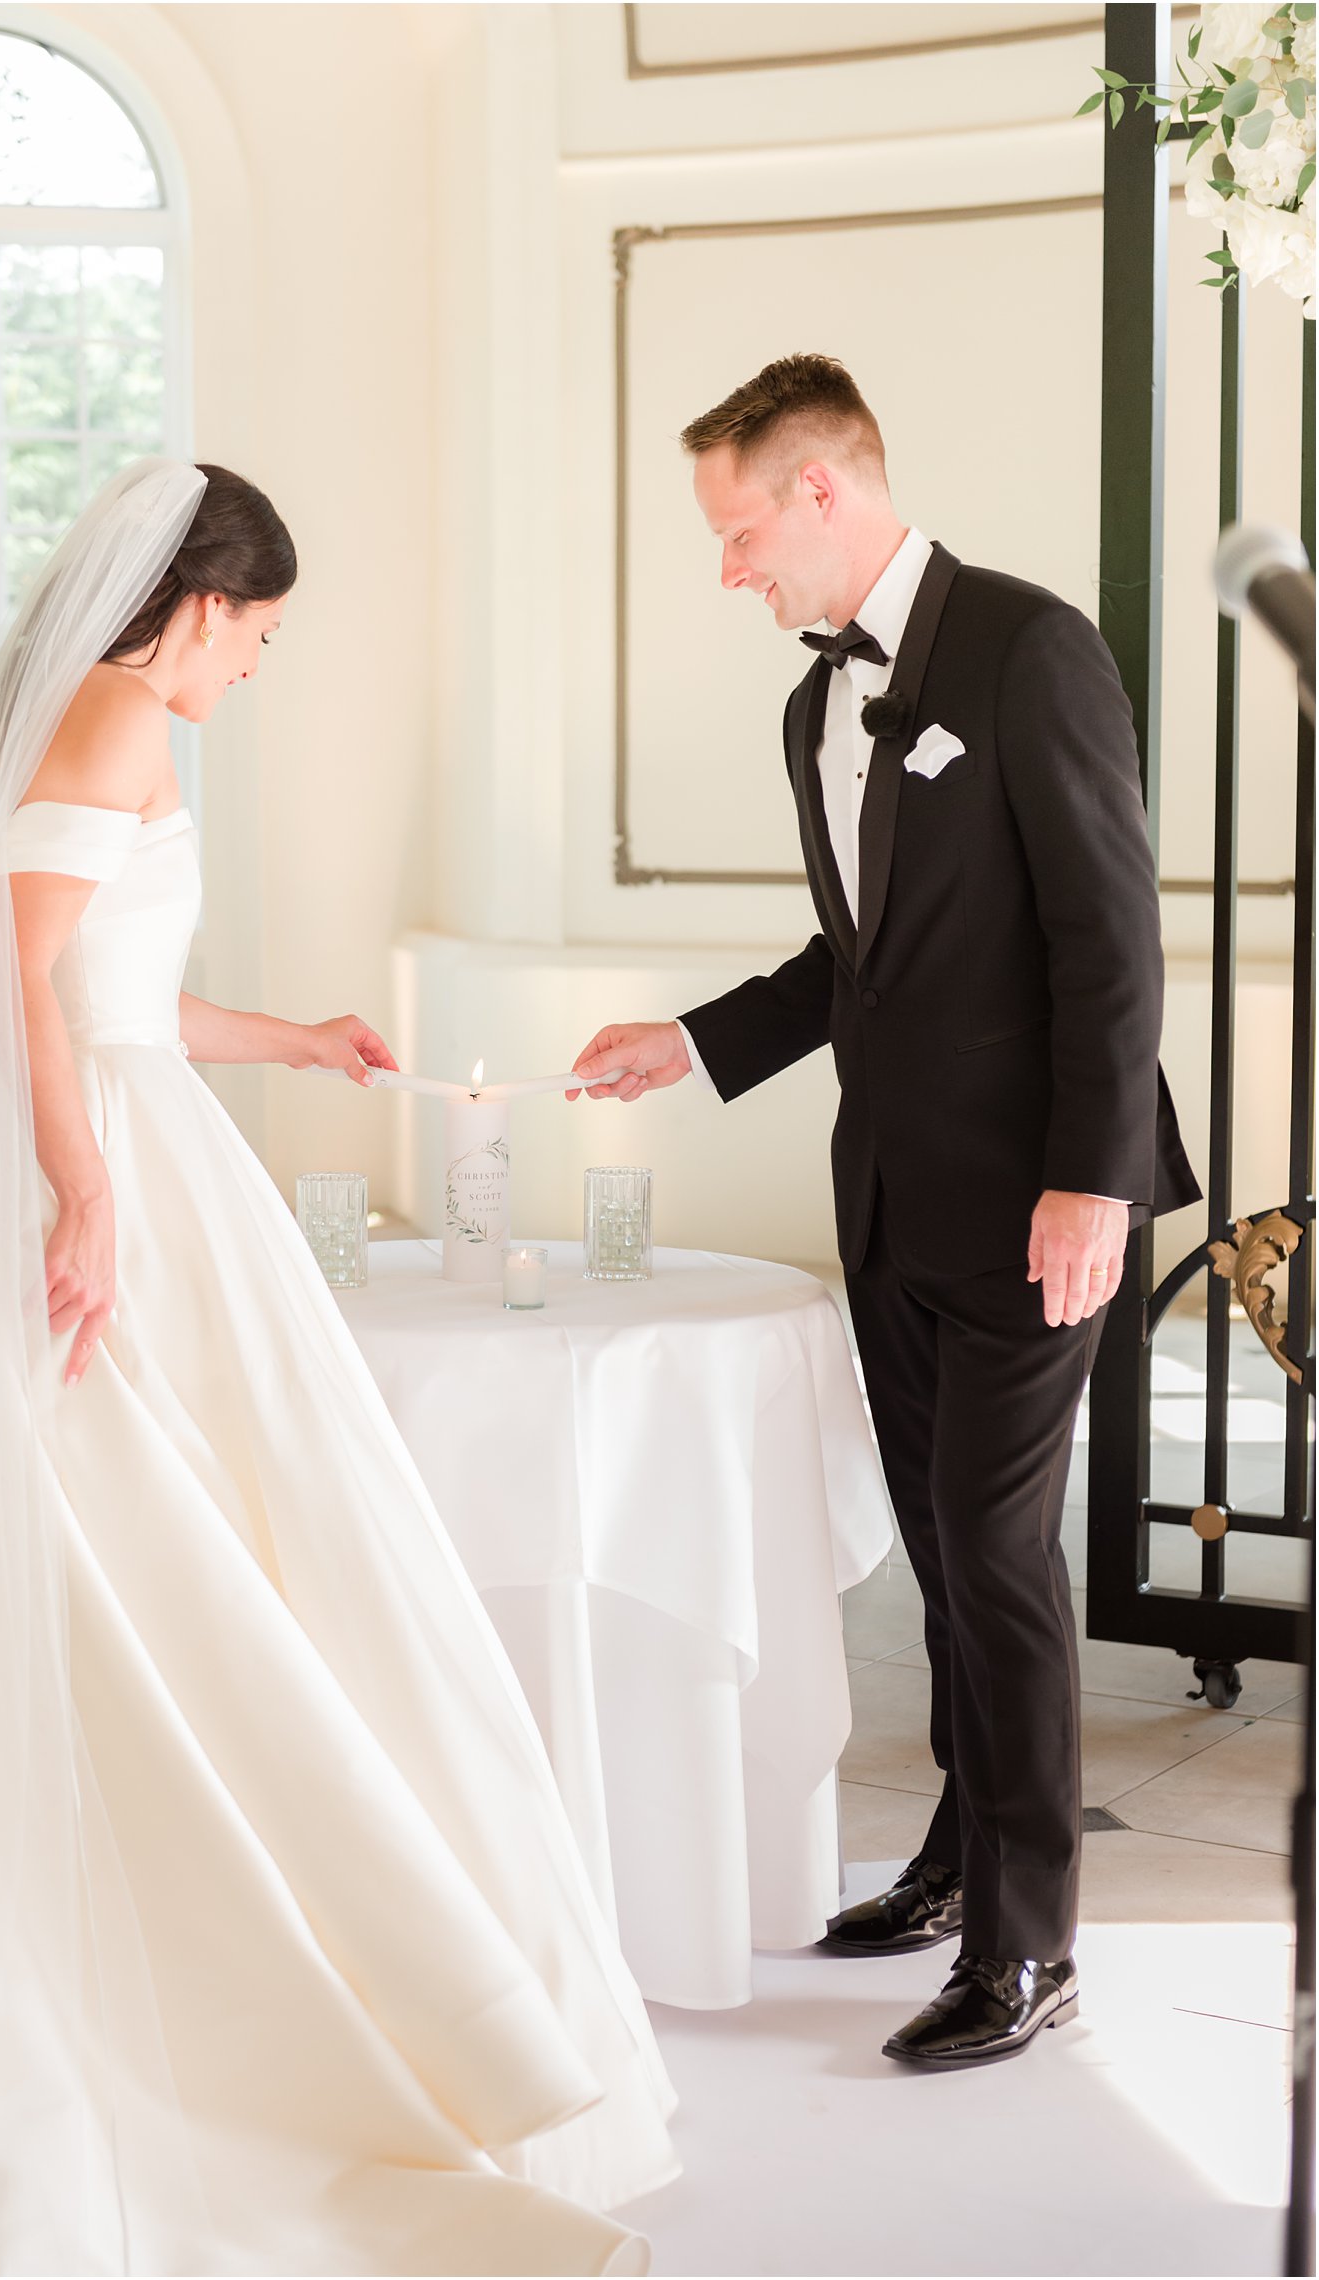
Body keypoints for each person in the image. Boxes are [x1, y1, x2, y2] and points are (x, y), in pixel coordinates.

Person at [0, 459, 676, 2276]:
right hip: (107, 1163)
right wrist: (85, 1184)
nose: (257, 665)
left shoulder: (102, 721)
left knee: (178, 1556)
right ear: (200, 605)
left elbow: (114, 988)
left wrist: (293, 1039)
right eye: (261, 633)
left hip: (138, 1128)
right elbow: (14, 978)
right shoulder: (124, 711)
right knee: (170, 1555)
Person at [568, 355, 1199, 2071]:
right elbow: (860, 964)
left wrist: (1094, 1179)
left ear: (822, 490)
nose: (729, 569)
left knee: (999, 1556)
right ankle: (952, 1851)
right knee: (937, 1549)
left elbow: (1109, 936)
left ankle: (1033, 1944)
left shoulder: (1028, 644)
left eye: (737, 528)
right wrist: (693, 1044)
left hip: (1037, 1203)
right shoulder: (811, 707)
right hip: (892, 1198)